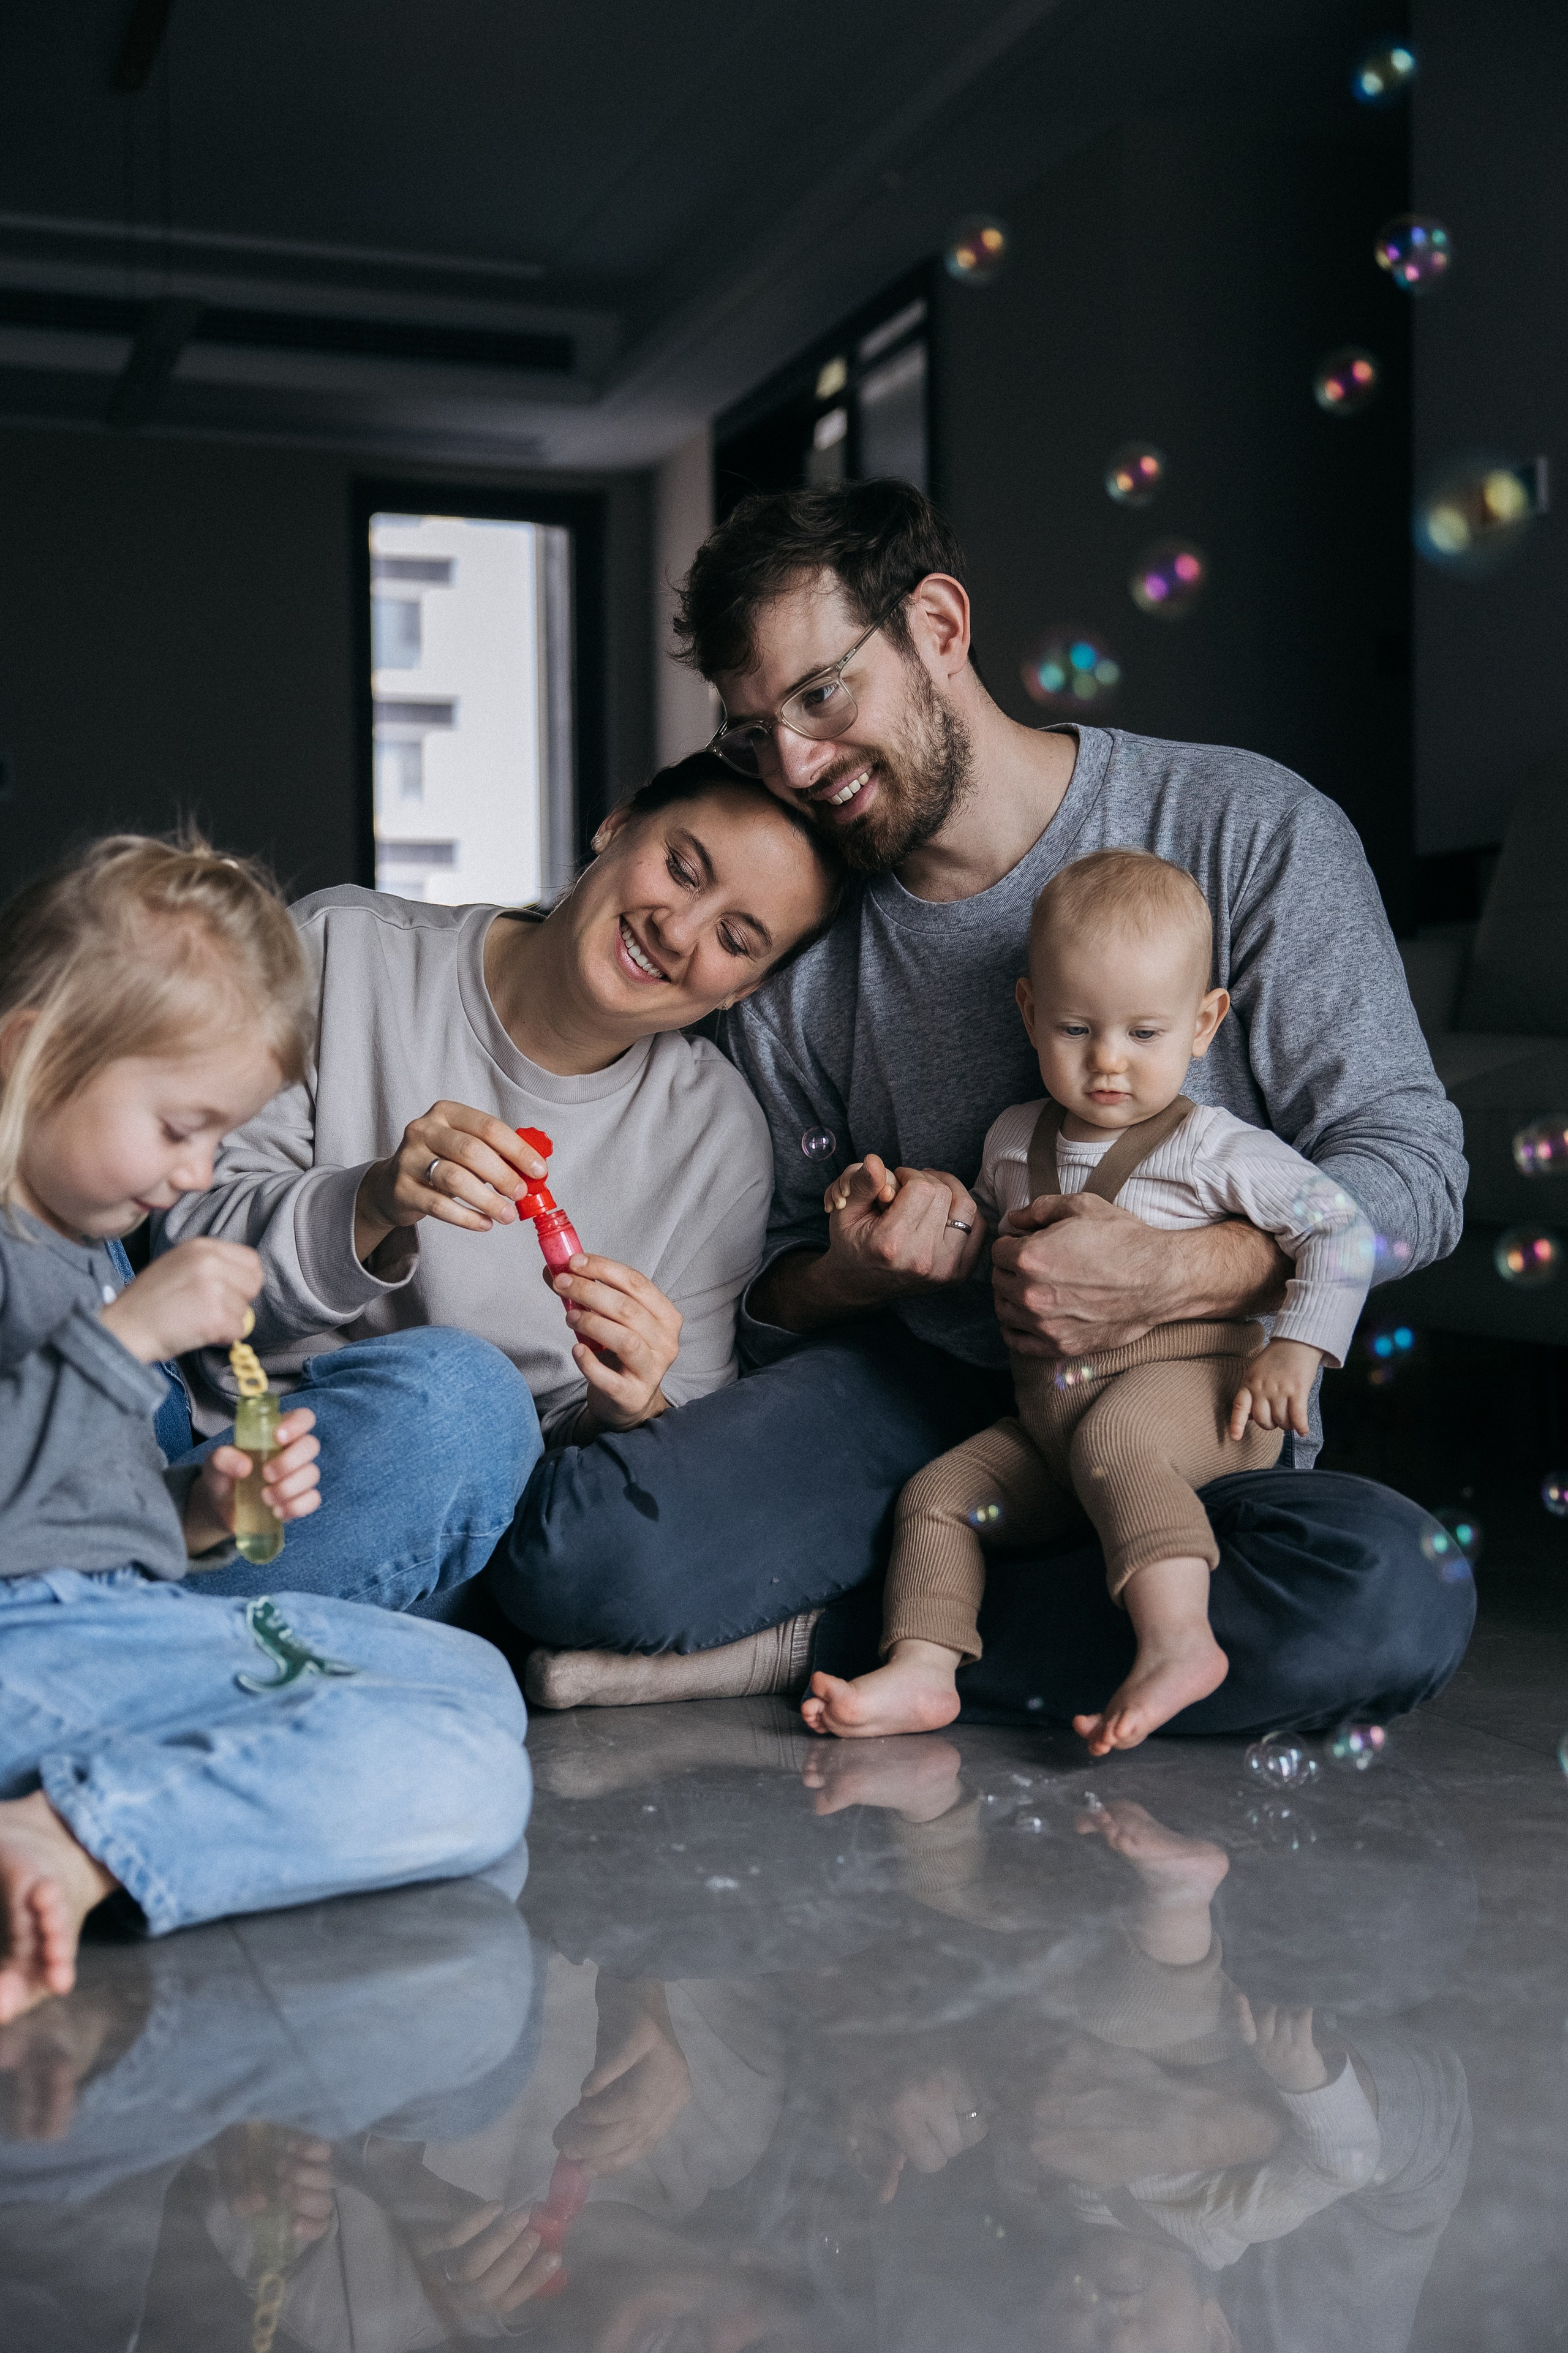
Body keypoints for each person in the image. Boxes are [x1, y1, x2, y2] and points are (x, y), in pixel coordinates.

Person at [505, 478, 1473, 1737]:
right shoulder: (796, 945)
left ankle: (849, 1628)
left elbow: (1415, 1168)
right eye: (756, 732)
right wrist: (856, 1272)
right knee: (572, 1563)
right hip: (915, 1398)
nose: (794, 765)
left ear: (939, 628)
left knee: (1386, 1599)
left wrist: (1178, 1273)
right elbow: (766, 1290)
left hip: (1178, 1418)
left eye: (820, 697)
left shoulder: (1246, 829)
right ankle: (969, 1611)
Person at [0, 833, 533, 2022]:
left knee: (473, 1693)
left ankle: (74, 1812)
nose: (194, 1171)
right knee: (463, 1775)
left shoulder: (80, 1233)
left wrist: (195, 1513)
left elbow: (61, 1508)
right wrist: (125, 1339)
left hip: (101, 1623)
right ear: (36, 1053)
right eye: (180, 1127)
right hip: (29, 1644)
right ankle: (72, 1837)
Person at [157, 758, 843, 1650]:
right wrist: (370, 1202)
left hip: (420, 1525)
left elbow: (636, 1492)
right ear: (618, 823)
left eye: (739, 937)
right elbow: (182, 1260)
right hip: (201, 1446)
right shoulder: (342, 945)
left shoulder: (717, 1140)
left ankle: (78, 1635)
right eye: (682, 866)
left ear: (746, 987)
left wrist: (627, 1406)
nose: (678, 931)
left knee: (472, 1407)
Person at [802, 850, 1371, 1753]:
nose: (1108, 1062)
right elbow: (983, 1240)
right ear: (1030, 1013)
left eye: (1144, 1034)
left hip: (1206, 1397)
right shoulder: (1009, 1137)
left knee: (1119, 1437)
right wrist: (903, 1210)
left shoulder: (1215, 1146)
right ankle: (925, 1669)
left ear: (1203, 1022)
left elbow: (1341, 1226)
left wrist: (1299, 1346)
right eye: (1076, 1028)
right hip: (1055, 1420)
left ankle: (1181, 1641)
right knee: (938, 1494)